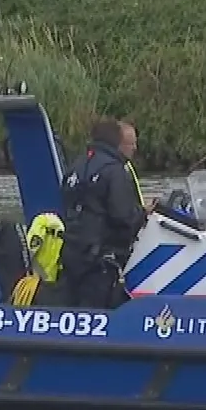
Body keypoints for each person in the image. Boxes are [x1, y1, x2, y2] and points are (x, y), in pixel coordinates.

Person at [58, 117, 147, 309]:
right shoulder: (114, 170)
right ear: (116, 141)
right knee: (94, 311)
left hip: (72, 253)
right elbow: (123, 216)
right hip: (99, 261)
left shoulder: (76, 167)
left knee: (72, 310)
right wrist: (143, 214)